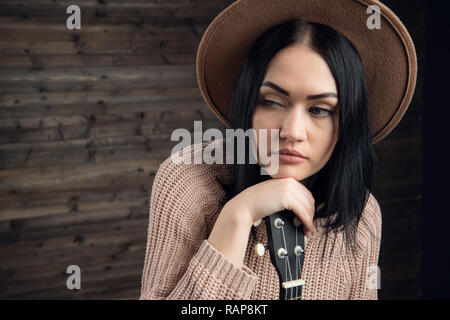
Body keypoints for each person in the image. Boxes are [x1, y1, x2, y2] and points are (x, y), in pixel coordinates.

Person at [139, 0, 417, 300]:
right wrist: (239, 215)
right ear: (247, 103)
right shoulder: (188, 182)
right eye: (272, 102)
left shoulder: (361, 214)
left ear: (347, 121)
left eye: (320, 109)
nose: (293, 132)